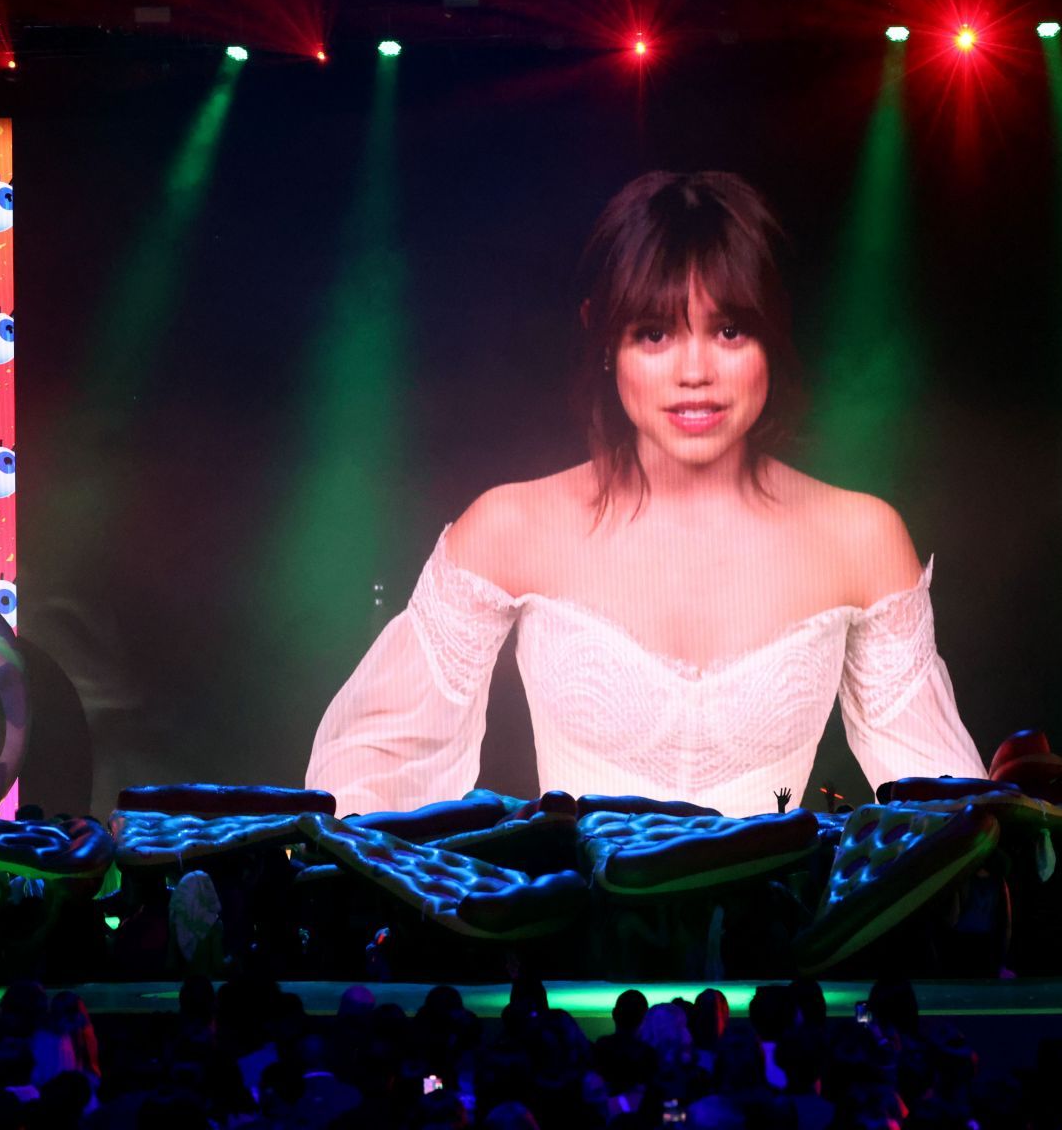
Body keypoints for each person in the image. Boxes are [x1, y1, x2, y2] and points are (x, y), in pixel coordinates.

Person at [307, 171, 986, 816]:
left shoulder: (859, 537)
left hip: (780, 935)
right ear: (605, 340)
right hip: (573, 929)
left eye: (729, 331)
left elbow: (942, 803)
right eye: (655, 334)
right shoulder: (511, 526)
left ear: (770, 337)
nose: (695, 372)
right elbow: (372, 769)